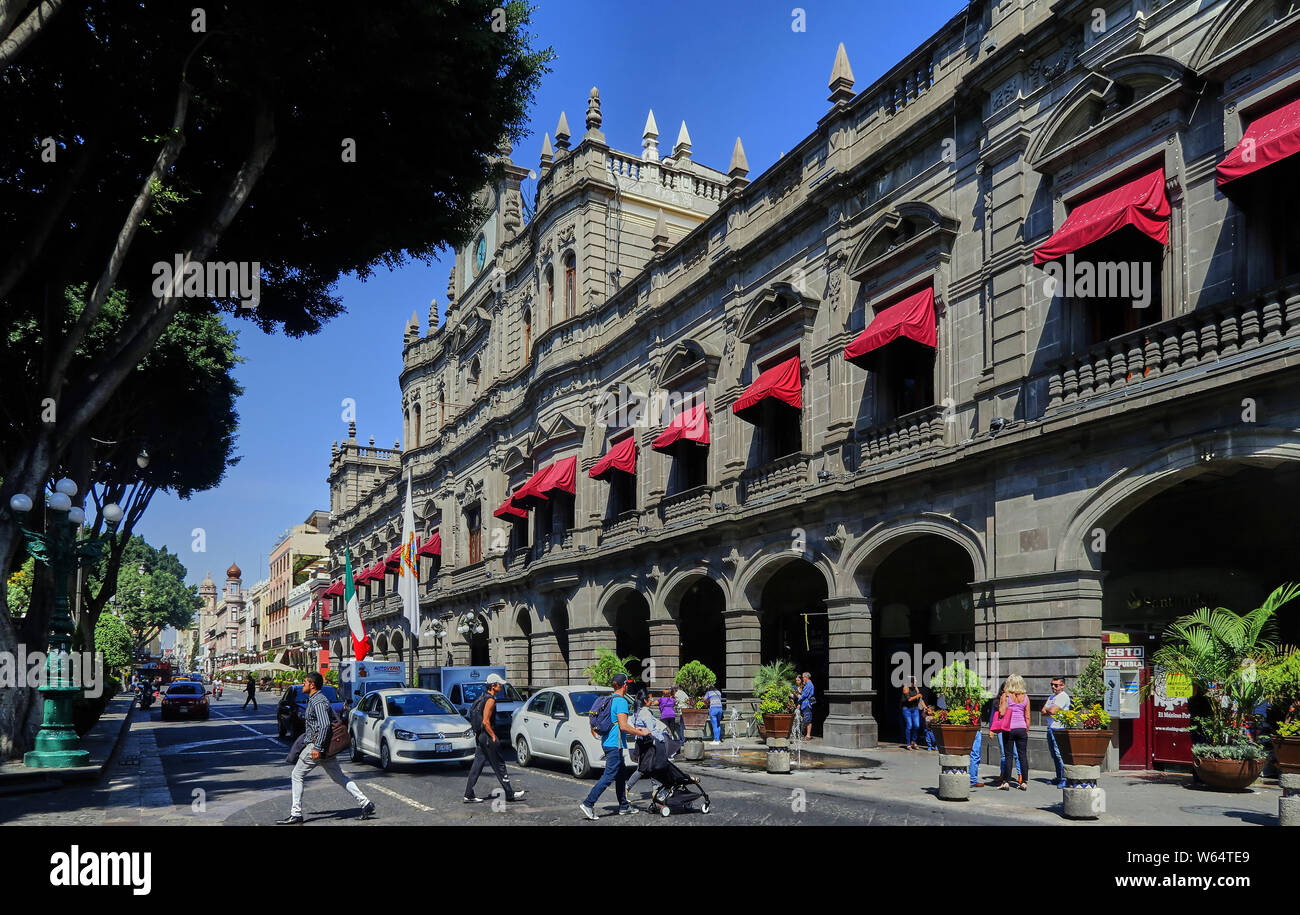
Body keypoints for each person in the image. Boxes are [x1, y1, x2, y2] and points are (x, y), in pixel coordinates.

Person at [278, 672, 374, 824]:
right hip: (323, 747)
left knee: (297, 775)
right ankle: (365, 803)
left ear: (312, 685)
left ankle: (296, 813)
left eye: (305, 682)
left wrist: (317, 748)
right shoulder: (315, 699)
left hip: (316, 746)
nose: (303, 685)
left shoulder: (318, 702)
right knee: (339, 777)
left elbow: (324, 726)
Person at [580, 672, 649, 819]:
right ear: (624, 685)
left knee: (621, 774)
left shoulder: (611, 699)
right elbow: (623, 726)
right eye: (627, 684)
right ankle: (588, 803)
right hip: (614, 745)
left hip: (607, 742)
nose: (628, 686)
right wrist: (640, 732)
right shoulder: (621, 702)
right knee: (608, 776)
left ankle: (624, 806)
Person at [464, 673, 525, 803]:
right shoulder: (490, 700)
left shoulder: (482, 697)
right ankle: (509, 794)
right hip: (487, 737)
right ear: (493, 686)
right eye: (500, 685)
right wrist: (493, 737)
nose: (502, 687)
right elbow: (486, 722)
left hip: (481, 736)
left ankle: (468, 794)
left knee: (477, 766)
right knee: (500, 765)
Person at [628, 692, 674, 797]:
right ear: (645, 700)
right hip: (648, 742)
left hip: (641, 741)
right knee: (644, 769)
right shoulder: (646, 713)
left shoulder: (637, 711)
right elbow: (651, 730)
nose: (652, 701)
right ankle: (627, 788)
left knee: (652, 767)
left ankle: (655, 790)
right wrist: (663, 738)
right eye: (650, 698)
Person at [998, 675, 1030, 791]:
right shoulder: (1026, 697)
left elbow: (1001, 712)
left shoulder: (1006, 695)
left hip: (1009, 728)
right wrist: (1026, 729)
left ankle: (1006, 782)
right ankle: (1024, 782)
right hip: (1022, 728)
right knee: (1022, 755)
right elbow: (1027, 716)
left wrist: (1003, 702)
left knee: (1008, 755)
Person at [1042, 676, 1071, 788]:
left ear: (1062, 685)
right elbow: (1043, 711)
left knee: (1059, 754)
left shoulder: (1063, 697)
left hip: (1059, 728)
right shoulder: (1051, 697)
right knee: (1054, 754)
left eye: (1056, 685)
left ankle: (1064, 778)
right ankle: (1059, 777)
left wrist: (1049, 709)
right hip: (1050, 727)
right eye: (1052, 685)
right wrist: (1049, 710)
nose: (1053, 687)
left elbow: (1052, 710)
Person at [901, 676, 924, 749]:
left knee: (917, 725)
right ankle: (908, 744)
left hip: (915, 709)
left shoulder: (916, 688)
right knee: (909, 726)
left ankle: (914, 741)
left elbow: (920, 699)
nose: (916, 681)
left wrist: (925, 707)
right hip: (907, 709)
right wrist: (918, 695)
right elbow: (909, 699)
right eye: (915, 680)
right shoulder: (905, 688)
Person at [799, 672, 815, 740]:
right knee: (806, 719)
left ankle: (808, 735)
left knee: (808, 719)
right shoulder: (807, 684)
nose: (802, 679)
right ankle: (806, 734)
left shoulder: (809, 685)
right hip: (805, 704)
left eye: (803, 677)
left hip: (807, 704)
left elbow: (804, 695)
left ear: (806, 677)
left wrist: (799, 699)